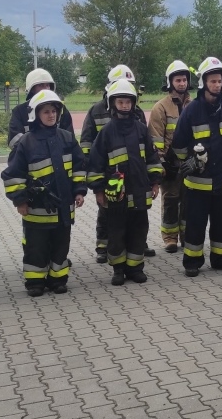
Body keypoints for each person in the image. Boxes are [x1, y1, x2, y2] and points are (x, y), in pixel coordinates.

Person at [2, 90, 87, 296]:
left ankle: (58, 280)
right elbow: (13, 174)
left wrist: (79, 190)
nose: (51, 115)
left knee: (61, 246)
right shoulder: (26, 142)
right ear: (36, 115)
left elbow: (79, 166)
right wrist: (20, 200)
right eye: (46, 112)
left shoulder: (67, 138)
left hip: (63, 208)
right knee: (36, 247)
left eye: (54, 111)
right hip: (36, 210)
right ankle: (35, 282)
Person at [87, 80, 162, 285]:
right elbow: (96, 163)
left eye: (128, 102)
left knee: (139, 231)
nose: (125, 106)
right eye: (120, 102)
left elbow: (152, 158)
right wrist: (98, 191)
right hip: (116, 195)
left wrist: (155, 182)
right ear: (113, 103)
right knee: (116, 233)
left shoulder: (141, 130)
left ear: (133, 103)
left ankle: (135, 268)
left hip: (139, 192)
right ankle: (118, 269)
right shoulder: (106, 133)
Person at [170, 58, 222, 277]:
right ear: (203, 83)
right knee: (195, 224)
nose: (217, 85)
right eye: (213, 81)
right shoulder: (191, 111)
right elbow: (178, 143)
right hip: (198, 182)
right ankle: (192, 261)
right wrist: (189, 161)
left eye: (219, 81)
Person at [79, 65, 155, 262]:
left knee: (136, 215)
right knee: (106, 213)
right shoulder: (96, 111)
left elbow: (145, 145)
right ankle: (103, 246)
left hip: (134, 177)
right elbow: (87, 142)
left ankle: (137, 246)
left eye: (129, 84)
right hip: (109, 174)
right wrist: (92, 170)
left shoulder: (137, 112)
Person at [148, 60, 192, 253]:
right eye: (178, 80)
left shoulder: (193, 105)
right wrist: (162, 164)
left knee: (189, 201)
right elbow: (155, 137)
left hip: (190, 163)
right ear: (170, 82)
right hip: (170, 164)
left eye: (184, 80)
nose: (182, 83)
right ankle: (170, 238)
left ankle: (187, 235)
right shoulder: (161, 107)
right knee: (171, 201)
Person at [8, 68, 75, 148]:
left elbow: (69, 139)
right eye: (41, 85)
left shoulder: (60, 109)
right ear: (31, 89)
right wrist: (37, 149)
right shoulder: (19, 111)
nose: (45, 89)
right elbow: (14, 141)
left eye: (47, 85)